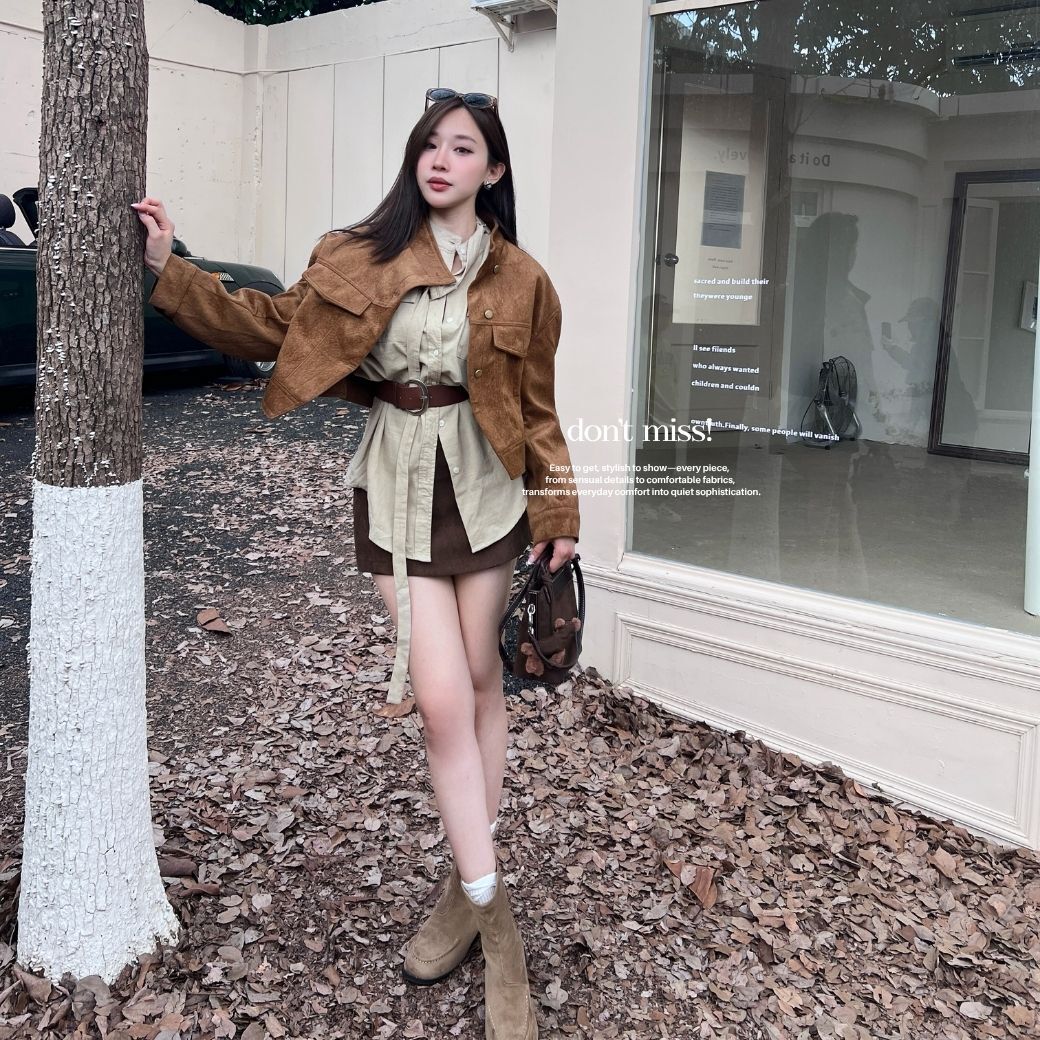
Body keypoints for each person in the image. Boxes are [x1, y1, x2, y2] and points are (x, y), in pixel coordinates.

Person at [132, 86, 580, 1040]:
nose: (442, 159)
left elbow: (537, 407)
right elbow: (267, 327)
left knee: (483, 680)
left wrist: (560, 513)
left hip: (488, 492)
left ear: (494, 169)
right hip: (396, 488)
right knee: (444, 701)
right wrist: (174, 268)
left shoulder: (523, 279)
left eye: (463, 147)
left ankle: (460, 892)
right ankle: (499, 927)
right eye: (431, 144)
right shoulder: (359, 254)